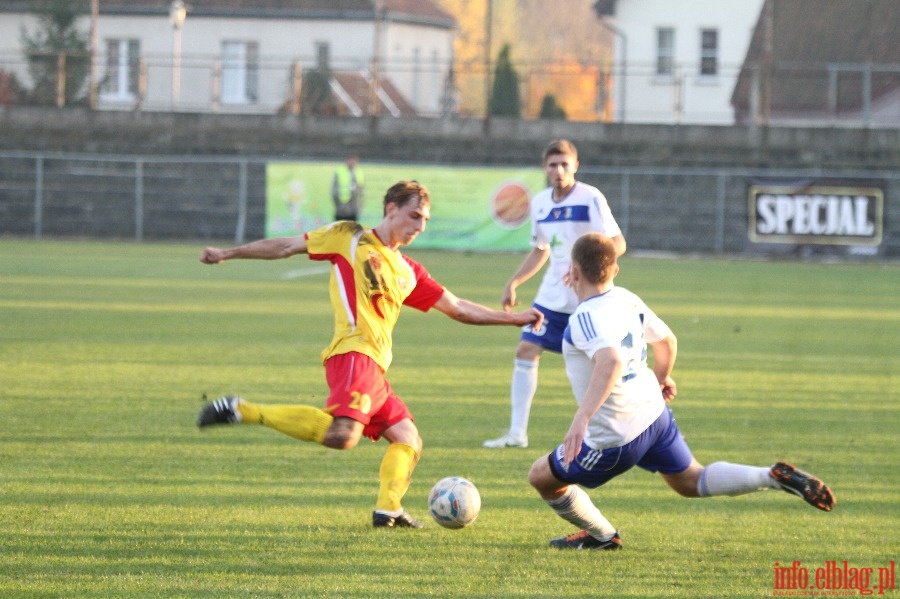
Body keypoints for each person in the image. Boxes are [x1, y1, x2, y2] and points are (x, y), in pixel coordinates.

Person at [197, 180, 543, 529]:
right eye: (414, 216)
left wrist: (513, 318)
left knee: (408, 437)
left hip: (375, 367)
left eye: (425, 220)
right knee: (343, 435)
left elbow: (457, 308)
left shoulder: (408, 270)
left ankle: (389, 508)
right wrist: (228, 253)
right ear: (391, 208)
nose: (420, 227)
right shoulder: (349, 236)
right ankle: (242, 410)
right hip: (353, 352)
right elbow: (285, 246)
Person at [528, 232, 835, 550]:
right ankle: (769, 476)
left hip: (614, 436)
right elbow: (666, 341)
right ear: (615, 270)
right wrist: (662, 378)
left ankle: (602, 536)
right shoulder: (626, 299)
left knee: (541, 477)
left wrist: (581, 418)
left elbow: (610, 362)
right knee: (691, 480)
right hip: (653, 414)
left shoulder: (584, 317)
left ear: (573, 273)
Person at [484, 139, 626, 449]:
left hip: (588, 299)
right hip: (551, 298)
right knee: (525, 350)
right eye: (553, 165)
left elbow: (618, 244)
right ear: (544, 168)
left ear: (576, 166)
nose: (559, 170)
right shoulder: (540, 203)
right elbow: (540, 248)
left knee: (599, 365)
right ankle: (516, 434)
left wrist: (586, 266)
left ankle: (607, 433)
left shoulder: (590, 198)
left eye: (565, 164)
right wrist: (514, 281)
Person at [331, 154, 365, 221]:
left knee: (352, 229)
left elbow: (361, 190)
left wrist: (360, 206)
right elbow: (334, 189)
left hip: (354, 207)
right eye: (350, 160)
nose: (352, 163)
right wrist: (338, 204)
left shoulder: (359, 172)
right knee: (340, 228)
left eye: (354, 161)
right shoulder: (340, 171)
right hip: (342, 207)